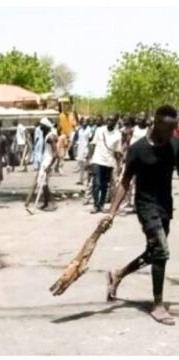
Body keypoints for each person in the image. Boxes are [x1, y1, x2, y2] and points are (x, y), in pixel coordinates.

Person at [100, 105, 179, 326]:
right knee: (162, 252)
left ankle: (117, 274)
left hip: (165, 206)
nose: (172, 133)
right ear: (156, 124)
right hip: (145, 206)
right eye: (169, 128)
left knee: (154, 252)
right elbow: (125, 182)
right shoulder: (137, 149)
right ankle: (158, 304)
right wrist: (111, 212)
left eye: (175, 128)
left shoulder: (175, 145)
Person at [89, 115, 122, 213]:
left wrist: (119, 165)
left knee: (104, 185)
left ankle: (102, 204)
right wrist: (90, 159)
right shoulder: (99, 130)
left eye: (111, 121)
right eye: (108, 120)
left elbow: (117, 151)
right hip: (97, 160)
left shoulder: (117, 134)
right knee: (97, 183)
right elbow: (93, 144)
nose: (109, 122)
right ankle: (96, 205)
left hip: (109, 162)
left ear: (115, 122)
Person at [37, 118, 58, 211]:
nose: (40, 127)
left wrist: (49, 166)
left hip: (48, 162)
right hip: (46, 160)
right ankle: (47, 203)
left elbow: (55, 154)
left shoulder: (50, 137)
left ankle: (50, 203)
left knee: (43, 182)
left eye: (41, 125)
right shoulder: (47, 135)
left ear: (45, 126)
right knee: (42, 183)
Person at [76, 117, 92, 185]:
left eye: (85, 121)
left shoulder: (89, 130)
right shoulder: (80, 129)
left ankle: (87, 180)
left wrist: (89, 151)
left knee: (87, 165)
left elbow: (90, 140)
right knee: (80, 165)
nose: (84, 123)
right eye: (83, 121)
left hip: (86, 148)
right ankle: (81, 180)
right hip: (80, 148)